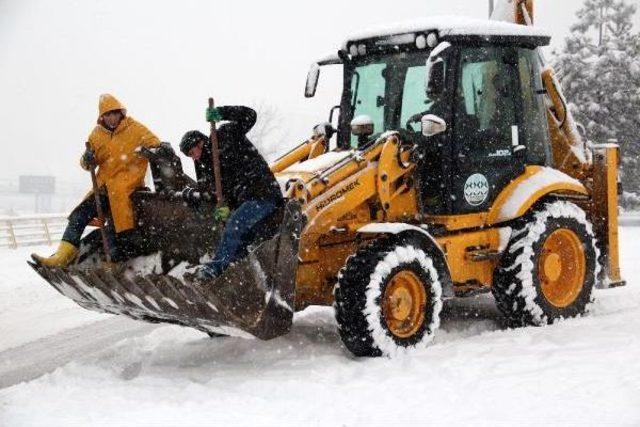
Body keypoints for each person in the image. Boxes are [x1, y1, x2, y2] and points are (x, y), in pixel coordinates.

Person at [32, 94, 161, 267]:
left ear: (121, 113)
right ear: (102, 117)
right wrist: (87, 159)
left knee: (115, 228)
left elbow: (156, 144)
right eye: (108, 115)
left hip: (127, 188)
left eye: (114, 113)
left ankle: (113, 264)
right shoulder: (97, 134)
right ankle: (61, 257)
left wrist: (156, 149)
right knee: (79, 216)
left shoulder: (136, 129)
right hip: (103, 187)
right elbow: (86, 163)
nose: (112, 118)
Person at [179, 105, 284, 280]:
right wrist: (223, 207)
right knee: (243, 240)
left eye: (192, 152)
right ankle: (236, 278)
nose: (194, 157)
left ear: (200, 142)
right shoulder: (208, 166)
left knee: (235, 226)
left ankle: (215, 270)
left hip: (263, 193)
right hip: (247, 201)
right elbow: (221, 192)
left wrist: (222, 113)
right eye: (190, 156)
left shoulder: (225, 135)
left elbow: (249, 115)